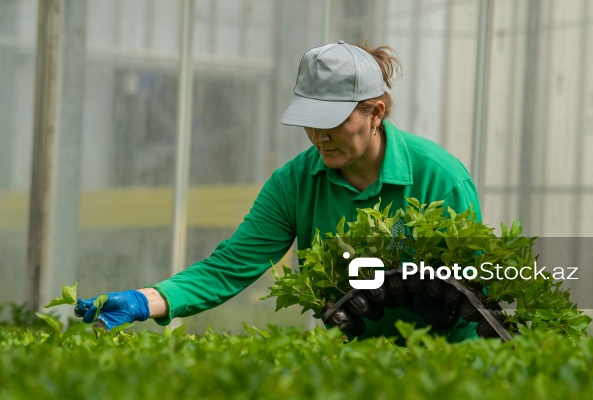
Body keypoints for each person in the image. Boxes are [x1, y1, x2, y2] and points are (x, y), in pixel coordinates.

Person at [75, 40, 482, 343]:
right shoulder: (295, 183)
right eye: (310, 120)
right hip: (356, 362)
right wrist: (145, 300)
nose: (319, 136)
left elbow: (477, 296)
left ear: (375, 112)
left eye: (334, 121)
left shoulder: (440, 181)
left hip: (443, 363)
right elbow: (229, 266)